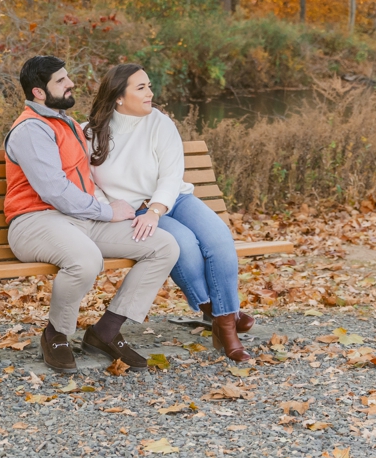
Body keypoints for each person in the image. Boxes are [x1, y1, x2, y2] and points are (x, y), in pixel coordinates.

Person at [4, 55, 179, 374]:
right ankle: (56, 335)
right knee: (86, 260)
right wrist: (106, 211)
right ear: (39, 92)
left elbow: (93, 175)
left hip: (80, 220)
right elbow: (54, 191)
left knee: (163, 245)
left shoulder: (68, 124)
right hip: (35, 222)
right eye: (61, 80)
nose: (70, 83)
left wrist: (128, 205)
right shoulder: (31, 129)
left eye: (67, 77)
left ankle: (106, 331)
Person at [85, 63, 255, 362]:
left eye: (149, 85)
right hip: (134, 212)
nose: (151, 93)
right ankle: (222, 317)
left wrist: (155, 210)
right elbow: (87, 181)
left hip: (173, 199)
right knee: (184, 247)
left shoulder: (159, 123)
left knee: (219, 240)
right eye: (142, 88)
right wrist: (110, 208)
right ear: (118, 97)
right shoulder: (91, 134)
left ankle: (224, 323)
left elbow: (171, 174)